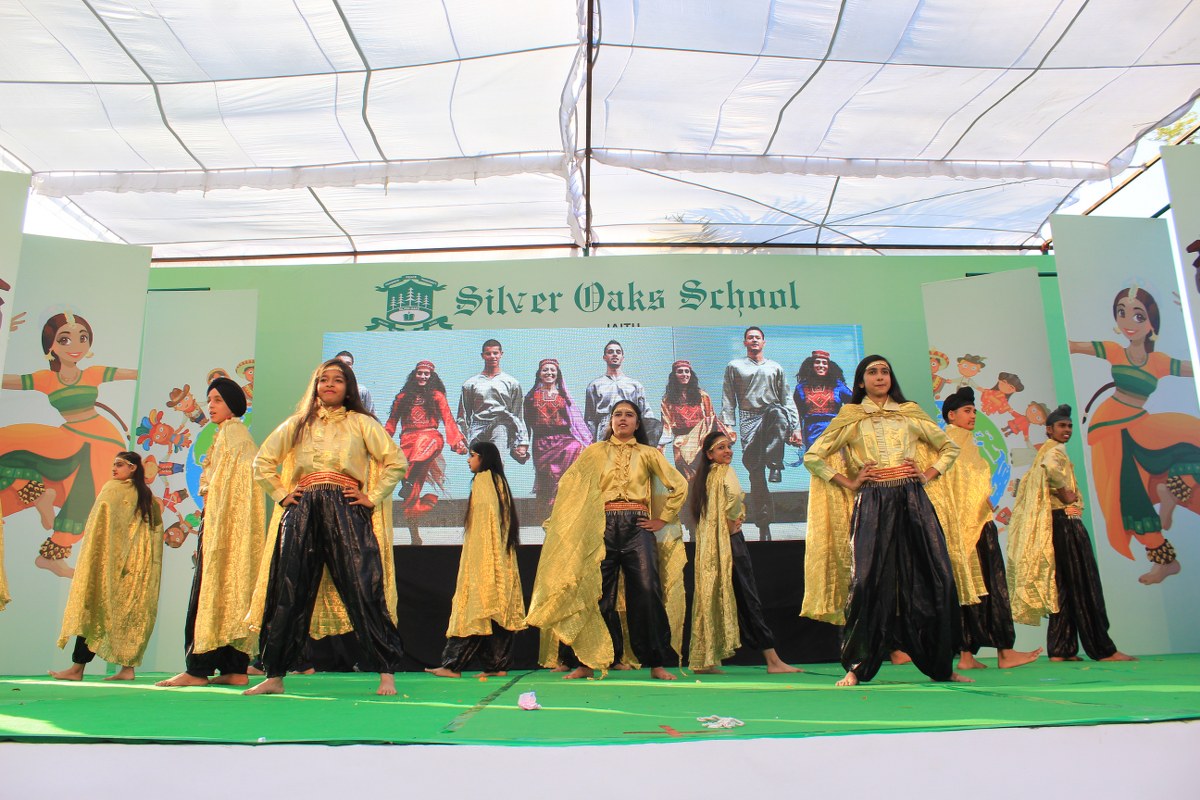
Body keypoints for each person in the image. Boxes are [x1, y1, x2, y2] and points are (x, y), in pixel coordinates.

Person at [802, 355, 978, 687]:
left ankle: (942, 666)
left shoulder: (909, 412)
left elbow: (949, 448)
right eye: (872, 372)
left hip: (913, 500)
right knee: (865, 581)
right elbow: (813, 456)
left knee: (937, 577)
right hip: (872, 501)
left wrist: (928, 473)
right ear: (861, 381)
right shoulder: (852, 417)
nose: (880, 376)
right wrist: (850, 482)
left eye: (885, 371)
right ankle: (856, 667)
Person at [244, 359, 408, 696]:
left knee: (363, 586)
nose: (329, 385)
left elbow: (396, 461)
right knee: (288, 589)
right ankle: (274, 674)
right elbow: (262, 462)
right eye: (323, 379)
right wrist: (282, 494)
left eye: (337, 380)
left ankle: (386, 672)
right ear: (315, 386)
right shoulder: (298, 424)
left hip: (345, 508)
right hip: (303, 508)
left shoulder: (361, 423)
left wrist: (371, 496)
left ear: (348, 388)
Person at [526, 400, 688, 680]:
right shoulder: (594, 452)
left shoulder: (649, 453)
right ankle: (586, 662)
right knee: (595, 592)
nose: (623, 419)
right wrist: (566, 522)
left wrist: (662, 519)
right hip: (601, 526)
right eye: (617, 415)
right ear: (610, 421)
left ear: (637, 423)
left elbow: (680, 485)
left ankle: (656, 663)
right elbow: (570, 484)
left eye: (629, 415)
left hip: (638, 525)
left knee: (647, 591)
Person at [1067, 286, 1198, 584]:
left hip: (1141, 425)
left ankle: (1174, 490)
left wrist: (1191, 311)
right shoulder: (1115, 351)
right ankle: (1165, 561)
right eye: (1121, 313)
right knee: (1127, 497)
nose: (1128, 322)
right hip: (1111, 430)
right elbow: (1072, 346)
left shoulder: (1158, 361)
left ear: (1152, 323)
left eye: (1138, 315)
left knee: (1191, 441)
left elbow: (1195, 367)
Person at [0, 311, 138, 577]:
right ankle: (36, 493)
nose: (75, 346)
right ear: (50, 346)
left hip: (101, 440)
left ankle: (53, 555)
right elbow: (4, 379)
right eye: (65, 340)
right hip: (70, 437)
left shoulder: (94, 373)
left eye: (82, 338)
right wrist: (4, 333)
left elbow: (137, 373)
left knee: (86, 494)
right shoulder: (46, 379)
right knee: (8, 444)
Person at [156, 378, 266, 688]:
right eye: (210, 400)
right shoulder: (236, 436)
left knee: (209, 594)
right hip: (231, 531)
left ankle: (197, 669)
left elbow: (225, 492)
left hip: (222, 530)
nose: (211, 406)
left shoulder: (232, 437)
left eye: (218, 400)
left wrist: (217, 527)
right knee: (232, 594)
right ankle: (235, 668)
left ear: (232, 404)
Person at [1006, 405, 1136, 663]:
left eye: (1069, 426)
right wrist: (1064, 490)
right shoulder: (1054, 451)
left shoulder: (1045, 451)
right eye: (1061, 426)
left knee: (1063, 586)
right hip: (1067, 522)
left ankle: (1061, 649)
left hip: (1055, 524)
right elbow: (1051, 469)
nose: (1067, 430)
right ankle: (1103, 649)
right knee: (1084, 585)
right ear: (1049, 429)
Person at [941, 387, 1041, 670]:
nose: (973, 415)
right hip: (971, 528)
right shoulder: (951, 444)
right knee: (991, 587)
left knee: (970, 588)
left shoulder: (963, 443)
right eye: (967, 411)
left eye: (974, 410)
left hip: (967, 527)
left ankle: (967, 656)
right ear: (951, 415)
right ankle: (1004, 653)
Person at [688, 431, 801, 674]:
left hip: (710, 548)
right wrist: (731, 523)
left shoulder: (704, 479)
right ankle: (773, 661)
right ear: (709, 454)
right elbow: (735, 497)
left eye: (729, 446)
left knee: (710, 597)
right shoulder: (724, 472)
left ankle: (705, 660)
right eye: (721, 447)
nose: (727, 451)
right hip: (730, 544)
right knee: (749, 601)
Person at [50, 451, 165, 681]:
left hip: (112, 564)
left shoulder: (117, 490)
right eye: (114, 464)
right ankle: (126, 669)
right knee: (129, 612)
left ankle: (78, 669)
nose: (114, 469)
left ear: (133, 468)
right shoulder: (145, 495)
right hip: (135, 567)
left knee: (94, 609)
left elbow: (102, 531)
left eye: (119, 465)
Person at [427, 441, 526, 678]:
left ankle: (452, 666)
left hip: (485, 557)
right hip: (502, 557)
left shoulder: (483, 480)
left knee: (474, 609)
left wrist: (481, 563)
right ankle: (497, 666)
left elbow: (483, 526)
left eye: (472, 455)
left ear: (484, 458)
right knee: (498, 610)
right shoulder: (500, 482)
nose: (468, 460)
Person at [720, 326, 800, 541]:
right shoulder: (735, 366)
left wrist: (796, 428)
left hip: (771, 415)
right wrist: (728, 425)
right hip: (749, 418)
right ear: (745, 342)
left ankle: (775, 465)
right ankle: (764, 524)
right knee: (755, 473)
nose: (754, 340)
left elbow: (786, 398)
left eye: (758, 337)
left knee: (778, 412)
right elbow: (728, 396)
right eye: (750, 338)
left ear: (764, 342)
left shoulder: (775, 367)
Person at [384, 360, 466, 544]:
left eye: (426, 374)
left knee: (426, 441)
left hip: (430, 438)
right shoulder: (402, 397)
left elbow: (448, 419)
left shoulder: (437, 396)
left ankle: (409, 480)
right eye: (419, 373)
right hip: (408, 442)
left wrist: (457, 443)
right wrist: (380, 441)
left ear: (431, 376)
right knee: (411, 496)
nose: (422, 376)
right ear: (414, 375)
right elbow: (391, 422)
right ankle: (415, 536)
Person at [524, 358, 591, 511]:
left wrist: (587, 442)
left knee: (573, 453)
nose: (549, 373)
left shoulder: (564, 397)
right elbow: (526, 423)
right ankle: (546, 513)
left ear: (558, 374)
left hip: (563, 441)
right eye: (545, 370)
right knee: (546, 477)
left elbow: (576, 422)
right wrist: (523, 445)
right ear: (539, 374)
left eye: (552, 370)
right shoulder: (531, 398)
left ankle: (564, 509)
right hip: (541, 443)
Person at [457, 339, 530, 465]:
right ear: (482, 356)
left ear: (501, 354)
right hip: (478, 427)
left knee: (497, 463)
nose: (492, 356)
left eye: (495, 353)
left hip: (500, 424)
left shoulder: (512, 383)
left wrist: (522, 442)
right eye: (488, 353)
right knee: (479, 466)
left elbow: (518, 414)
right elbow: (463, 414)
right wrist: (461, 438)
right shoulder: (470, 384)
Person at [659, 360, 727, 482]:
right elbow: (666, 425)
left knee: (706, 477)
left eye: (687, 371)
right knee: (687, 479)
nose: (684, 374)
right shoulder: (667, 400)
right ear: (674, 375)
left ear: (691, 374)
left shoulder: (702, 396)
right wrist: (660, 447)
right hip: (680, 441)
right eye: (680, 371)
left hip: (701, 439)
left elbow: (711, 418)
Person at [584, 340, 653, 442]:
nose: (615, 354)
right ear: (604, 357)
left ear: (622, 358)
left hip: (630, 430)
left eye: (618, 352)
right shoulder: (595, 385)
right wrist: (590, 444)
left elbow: (646, 414)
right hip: (604, 431)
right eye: (610, 352)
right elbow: (590, 420)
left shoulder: (635, 385)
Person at [793, 350, 853, 450]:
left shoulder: (837, 385)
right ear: (811, 365)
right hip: (812, 431)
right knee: (815, 458)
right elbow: (796, 412)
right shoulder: (801, 388)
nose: (821, 365)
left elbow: (854, 403)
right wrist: (796, 431)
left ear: (829, 366)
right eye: (817, 362)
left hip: (835, 430)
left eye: (824, 363)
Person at [335, 350, 375, 416]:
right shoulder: (326, 389)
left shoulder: (361, 391)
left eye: (348, 364)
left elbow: (371, 417)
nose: (344, 366)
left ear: (352, 367)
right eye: (340, 363)